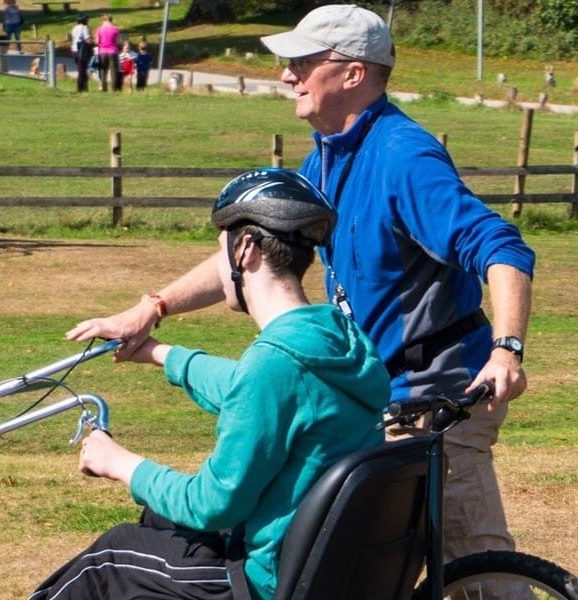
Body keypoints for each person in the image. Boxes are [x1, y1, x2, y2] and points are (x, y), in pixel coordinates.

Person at [67, 2, 536, 577]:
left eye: (302, 62)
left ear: (353, 73)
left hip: (438, 400)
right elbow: (247, 255)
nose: (286, 75)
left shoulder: (403, 158)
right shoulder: (325, 159)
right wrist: (152, 308)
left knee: (471, 566)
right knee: (356, 568)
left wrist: (507, 349)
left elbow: (501, 247)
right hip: (377, 397)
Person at [37, 168, 390, 600]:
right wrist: (158, 352)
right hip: (323, 565)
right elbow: (247, 389)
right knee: (159, 519)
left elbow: (213, 502)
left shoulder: (275, 363)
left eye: (218, 249)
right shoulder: (334, 337)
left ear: (245, 250)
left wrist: (120, 463)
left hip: (264, 579)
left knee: (109, 560)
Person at [93, 13, 120, 92]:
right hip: (113, 51)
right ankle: (114, 88)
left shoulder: (99, 29)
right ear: (111, 20)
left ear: (103, 20)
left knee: (103, 70)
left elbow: (97, 42)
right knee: (113, 70)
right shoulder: (115, 29)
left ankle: (104, 88)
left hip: (102, 52)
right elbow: (118, 41)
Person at [69, 14, 92, 93]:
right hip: (81, 50)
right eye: (87, 20)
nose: (88, 21)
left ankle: (85, 87)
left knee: (81, 69)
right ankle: (80, 88)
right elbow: (87, 39)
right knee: (82, 70)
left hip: (74, 50)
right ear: (84, 20)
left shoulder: (74, 28)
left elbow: (71, 38)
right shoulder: (84, 27)